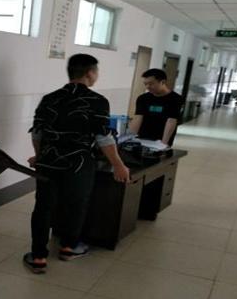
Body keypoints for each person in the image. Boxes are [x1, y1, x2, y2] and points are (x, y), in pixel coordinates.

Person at [23, 54, 130, 274]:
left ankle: (38, 257)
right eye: (96, 71)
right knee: (77, 204)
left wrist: (40, 156)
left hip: (49, 163)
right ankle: (68, 248)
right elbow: (103, 137)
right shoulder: (98, 101)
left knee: (43, 207)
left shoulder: (49, 98)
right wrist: (119, 165)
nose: (97, 75)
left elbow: (37, 133)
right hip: (79, 163)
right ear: (90, 73)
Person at [128, 69, 184, 146]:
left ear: (162, 82)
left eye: (151, 84)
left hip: (162, 138)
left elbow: (171, 121)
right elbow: (138, 118)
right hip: (142, 137)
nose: (147, 87)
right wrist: (130, 138)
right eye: (145, 84)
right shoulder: (143, 98)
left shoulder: (175, 99)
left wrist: (163, 144)